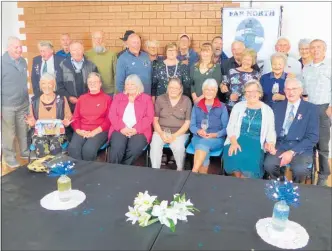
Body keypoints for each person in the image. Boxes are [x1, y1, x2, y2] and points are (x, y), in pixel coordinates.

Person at [264, 78, 319, 183]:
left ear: (300, 90)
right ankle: (278, 186)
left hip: (300, 146)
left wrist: (292, 152)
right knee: (269, 165)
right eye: (288, 89)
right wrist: (269, 142)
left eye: (294, 89)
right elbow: (270, 128)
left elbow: (313, 136)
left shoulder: (311, 109)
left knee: (300, 170)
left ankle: (295, 190)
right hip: (280, 144)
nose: (291, 92)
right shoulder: (277, 106)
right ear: (284, 90)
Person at [223, 80, 276, 179]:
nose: (251, 94)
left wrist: (271, 143)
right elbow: (230, 127)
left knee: (249, 168)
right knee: (234, 157)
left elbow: (271, 131)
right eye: (248, 92)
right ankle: (237, 186)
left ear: (260, 93)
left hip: (256, 142)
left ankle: (244, 189)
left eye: (254, 91)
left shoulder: (268, 110)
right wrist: (233, 143)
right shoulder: (238, 106)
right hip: (237, 138)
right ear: (245, 94)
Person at [302, 39, 331, 186]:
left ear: (324, 49)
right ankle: (309, 173)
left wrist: (330, 107)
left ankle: (323, 176)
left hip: (324, 108)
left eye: (318, 47)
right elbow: (304, 90)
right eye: (312, 48)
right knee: (309, 143)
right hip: (309, 109)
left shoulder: (330, 66)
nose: (315, 50)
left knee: (323, 147)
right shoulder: (306, 68)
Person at [108, 74, 154, 165]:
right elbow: (112, 114)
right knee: (117, 147)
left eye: (132, 84)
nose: (129, 86)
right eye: (127, 84)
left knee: (134, 148)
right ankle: (113, 169)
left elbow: (149, 117)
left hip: (140, 131)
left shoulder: (146, 99)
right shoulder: (118, 97)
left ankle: (125, 168)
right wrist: (122, 128)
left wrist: (136, 129)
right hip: (119, 129)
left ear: (138, 85)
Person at [25, 73, 72, 158]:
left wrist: (66, 122)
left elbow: (68, 116)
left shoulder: (62, 99)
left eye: (49, 83)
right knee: (41, 145)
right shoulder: (34, 101)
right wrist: (31, 123)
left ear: (54, 85)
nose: (46, 86)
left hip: (58, 134)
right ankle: (43, 169)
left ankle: (55, 168)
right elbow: (32, 121)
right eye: (43, 83)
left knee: (55, 145)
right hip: (40, 134)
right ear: (40, 85)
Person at [150, 78, 192, 170]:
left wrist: (175, 136)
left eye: (176, 88)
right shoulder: (160, 99)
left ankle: (180, 169)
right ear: (167, 88)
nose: (173, 90)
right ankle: (154, 170)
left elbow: (187, 122)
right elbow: (155, 120)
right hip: (161, 131)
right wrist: (161, 133)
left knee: (178, 147)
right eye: (171, 87)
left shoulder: (186, 100)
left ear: (180, 89)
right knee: (155, 146)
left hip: (180, 133)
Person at [1, 36, 31, 167]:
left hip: (22, 103)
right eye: (16, 47)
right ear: (8, 48)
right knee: (9, 133)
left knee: (23, 129)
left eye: (20, 47)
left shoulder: (23, 61)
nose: (19, 50)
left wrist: (27, 101)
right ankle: (9, 157)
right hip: (7, 105)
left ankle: (24, 152)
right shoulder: (2, 63)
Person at [68, 73, 111, 161]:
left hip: (99, 131)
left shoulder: (107, 99)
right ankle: (79, 172)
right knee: (73, 149)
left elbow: (108, 120)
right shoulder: (82, 98)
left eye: (95, 82)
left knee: (88, 150)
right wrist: (79, 131)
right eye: (90, 82)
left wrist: (94, 132)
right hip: (82, 130)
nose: (92, 84)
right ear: (87, 84)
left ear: (100, 84)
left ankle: (88, 173)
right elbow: (75, 118)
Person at [189, 79, 229, 174]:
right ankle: (200, 178)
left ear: (216, 92)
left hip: (216, 139)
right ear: (203, 91)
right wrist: (199, 131)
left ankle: (193, 173)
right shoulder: (197, 106)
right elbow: (192, 126)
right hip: (198, 137)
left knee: (202, 145)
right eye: (207, 89)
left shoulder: (222, 107)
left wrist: (215, 134)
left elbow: (226, 128)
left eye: (212, 90)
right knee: (202, 145)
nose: (209, 92)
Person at [57, 41, 98, 112]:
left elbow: (96, 83)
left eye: (79, 49)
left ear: (83, 50)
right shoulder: (63, 65)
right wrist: (69, 97)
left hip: (87, 103)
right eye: (74, 50)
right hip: (69, 104)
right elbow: (59, 84)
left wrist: (88, 97)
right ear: (70, 51)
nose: (77, 52)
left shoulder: (91, 65)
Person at [85, 31, 117, 95]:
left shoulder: (112, 54)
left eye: (100, 38)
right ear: (92, 40)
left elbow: (116, 74)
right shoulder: (86, 54)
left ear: (104, 39)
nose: (98, 41)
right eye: (95, 38)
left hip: (109, 92)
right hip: (92, 91)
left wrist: (116, 92)